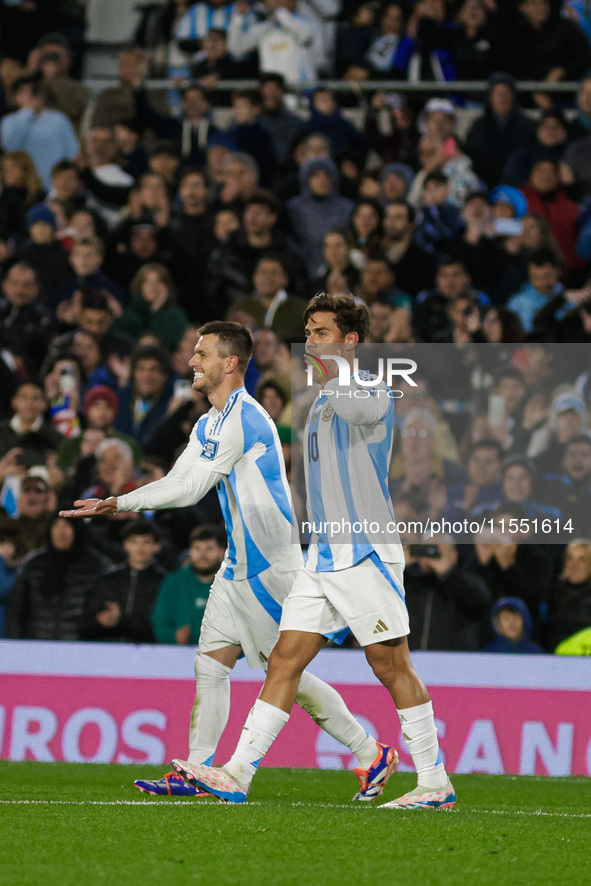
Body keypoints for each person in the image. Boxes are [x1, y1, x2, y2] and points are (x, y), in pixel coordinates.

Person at [61, 321, 400, 802]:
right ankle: (197, 771)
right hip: (236, 564)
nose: (192, 361)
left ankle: (370, 753)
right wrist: (123, 499)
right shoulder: (207, 422)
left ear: (230, 362)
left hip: (269, 567)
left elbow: (188, 488)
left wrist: (120, 502)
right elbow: (180, 475)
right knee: (211, 666)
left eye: (202, 353)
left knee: (286, 678)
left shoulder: (247, 416)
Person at [175, 296, 456, 810]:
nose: (310, 340)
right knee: (282, 661)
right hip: (321, 558)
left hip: (365, 553)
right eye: (307, 331)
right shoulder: (320, 400)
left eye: (322, 332)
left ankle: (434, 782)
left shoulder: (370, 388)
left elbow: (357, 404)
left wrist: (330, 369)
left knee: (391, 665)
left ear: (350, 341)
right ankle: (237, 774)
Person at [5, 515, 108, 640]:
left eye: (67, 525)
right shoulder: (33, 564)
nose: (61, 531)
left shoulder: (97, 566)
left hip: (80, 648)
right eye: (56, 525)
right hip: (36, 646)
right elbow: (15, 611)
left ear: (78, 529)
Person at [80, 521, 167, 643]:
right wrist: (101, 620)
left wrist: (121, 621)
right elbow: (85, 624)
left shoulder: (165, 583)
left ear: (157, 546)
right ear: (125, 544)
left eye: (146, 542)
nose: (139, 548)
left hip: (148, 653)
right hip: (109, 651)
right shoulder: (107, 580)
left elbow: (162, 626)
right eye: (134, 542)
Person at [0, 74, 78, 190]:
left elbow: (72, 153)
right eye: (24, 92)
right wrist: (27, 112)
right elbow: (10, 146)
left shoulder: (58, 119)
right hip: (22, 187)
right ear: (15, 97)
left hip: (53, 186)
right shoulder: (9, 121)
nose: (31, 95)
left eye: (34, 91)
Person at [151, 524, 226, 645]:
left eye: (209, 549)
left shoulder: (234, 584)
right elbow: (159, 622)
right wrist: (173, 636)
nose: (202, 555)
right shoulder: (173, 582)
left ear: (222, 552)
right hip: (179, 655)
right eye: (197, 549)